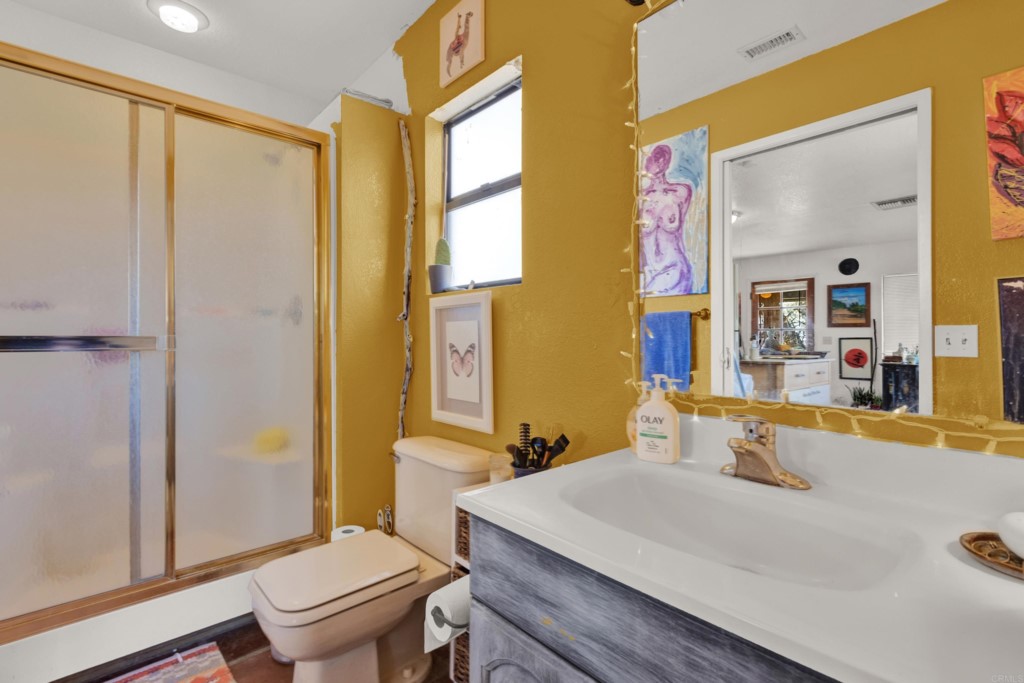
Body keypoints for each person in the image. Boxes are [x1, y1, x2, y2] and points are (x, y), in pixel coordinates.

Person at [640, 144, 694, 295]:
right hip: (649, 271)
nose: (655, 162)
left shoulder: (681, 192)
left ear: (666, 162)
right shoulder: (640, 199)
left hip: (675, 268)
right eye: (651, 159)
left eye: (660, 158)